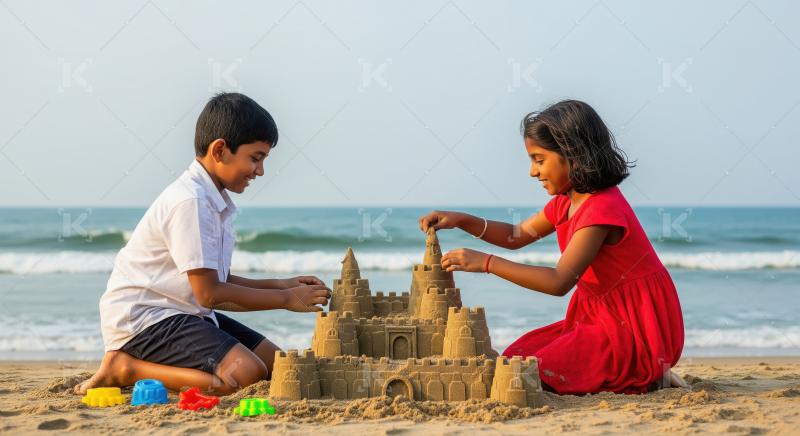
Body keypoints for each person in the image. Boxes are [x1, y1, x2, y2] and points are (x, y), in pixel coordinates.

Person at [419, 100, 685, 394]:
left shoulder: (600, 210)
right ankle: (645, 371)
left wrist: (487, 263)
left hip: (634, 327)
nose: (533, 172)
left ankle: (646, 368)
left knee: (537, 371)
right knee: (518, 356)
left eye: (539, 159)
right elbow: (515, 236)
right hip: (599, 317)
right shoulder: (566, 201)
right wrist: (463, 220)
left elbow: (559, 282)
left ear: (572, 154)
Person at [75, 93, 331, 395]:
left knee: (278, 365)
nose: (260, 171)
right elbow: (210, 293)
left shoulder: (214, 201)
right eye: (256, 158)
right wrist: (287, 299)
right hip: (147, 319)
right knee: (245, 373)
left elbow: (215, 281)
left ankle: (143, 365)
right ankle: (125, 368)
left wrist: (281, 285)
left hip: (184, 312)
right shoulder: (191, 201)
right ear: (220, 150)